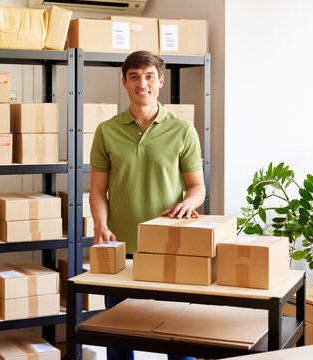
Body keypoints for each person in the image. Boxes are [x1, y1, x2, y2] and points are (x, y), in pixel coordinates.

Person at [89, 50, 206, 360]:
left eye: (149, 76)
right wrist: (100, 226)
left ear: (161, 81)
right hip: (120, 247)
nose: (143, 83)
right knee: (118, 337)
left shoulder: (183, 130)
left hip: (170, 248)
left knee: (177, 337)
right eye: (134, 76)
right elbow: (98, 190)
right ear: (124, 82)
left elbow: (197, 187)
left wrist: (188, 203)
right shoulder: (106, 131)